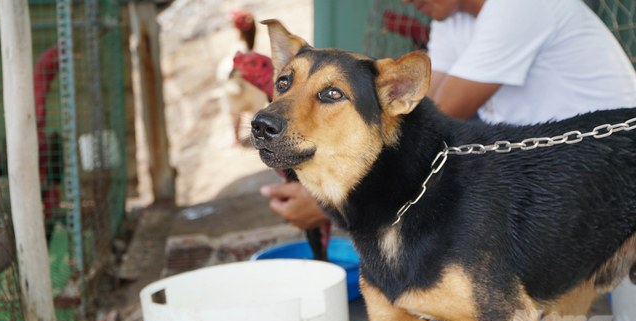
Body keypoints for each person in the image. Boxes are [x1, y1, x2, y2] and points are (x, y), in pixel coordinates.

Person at [262, 0, 636, 230]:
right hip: (543, 167)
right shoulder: (453, 21)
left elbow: (435, 128)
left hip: (608, 165)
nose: (407, 0)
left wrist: (332, 197)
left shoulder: (521, 5)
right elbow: (416, 116)